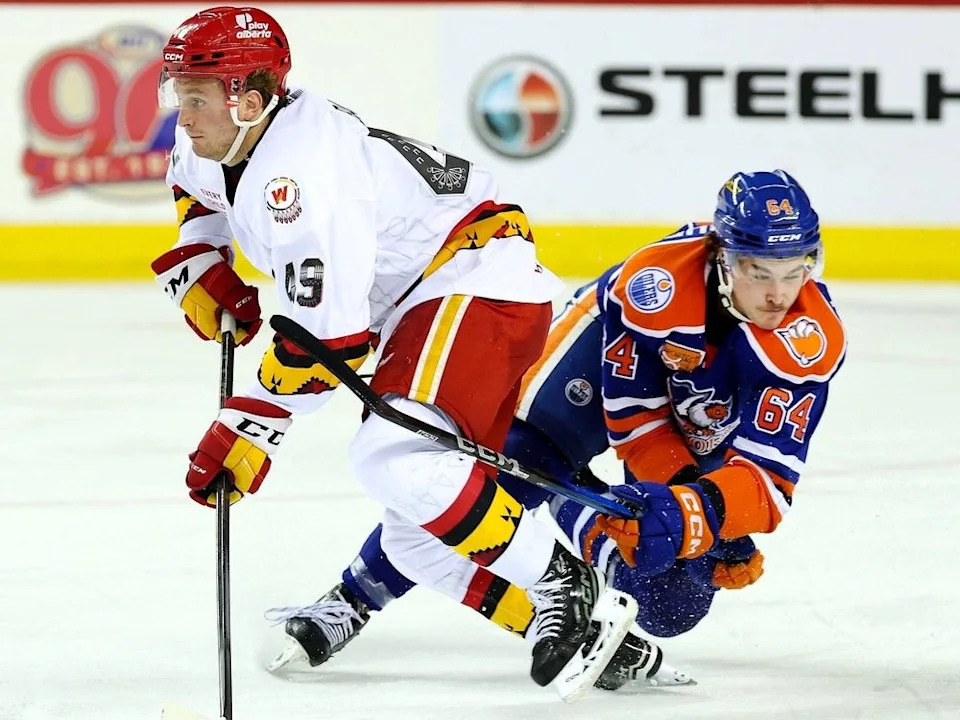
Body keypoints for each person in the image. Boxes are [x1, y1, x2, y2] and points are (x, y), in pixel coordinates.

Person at [150, 5, 640, 700]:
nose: (183, 116)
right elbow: (194, 192)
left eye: (195, 98)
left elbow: (329, 344)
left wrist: (247, 426)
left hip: (475, 281)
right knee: (417, 532)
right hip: (425, 304)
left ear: (248, 102)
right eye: (179, 94)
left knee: (394, 457)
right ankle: (572, 627)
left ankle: (564, 582)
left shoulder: (301, 177)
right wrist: (202, 258)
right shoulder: (218, 138)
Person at [264, 170, 847, 689]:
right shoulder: (656, 287)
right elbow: (635, 422)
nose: (778, 294)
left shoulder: (810, 340)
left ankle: (577, 514)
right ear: (723, 256)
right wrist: (677, 499)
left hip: (697, 422)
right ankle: (354, 597)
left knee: (670, 604)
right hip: (596, 358)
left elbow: (769, 481)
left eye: (795, 271)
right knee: (513, 465)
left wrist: (703, 515)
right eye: (758, 271)